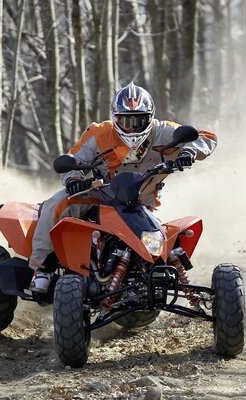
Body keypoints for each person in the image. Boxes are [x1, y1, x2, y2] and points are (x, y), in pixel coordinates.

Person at [28, 82, 217, 293]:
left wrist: (189, 152)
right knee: (58, 202)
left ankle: (161, 272)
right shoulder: (100, 133)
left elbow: (206, 137)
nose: (132, 127)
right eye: (126, 120)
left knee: (165, 238)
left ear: (150, 116)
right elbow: (75, 158)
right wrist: (73, 178)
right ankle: (41, 268)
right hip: (103, 193)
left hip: (143, 200)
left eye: (139, 120)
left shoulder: (165, 131)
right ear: (115, 117)